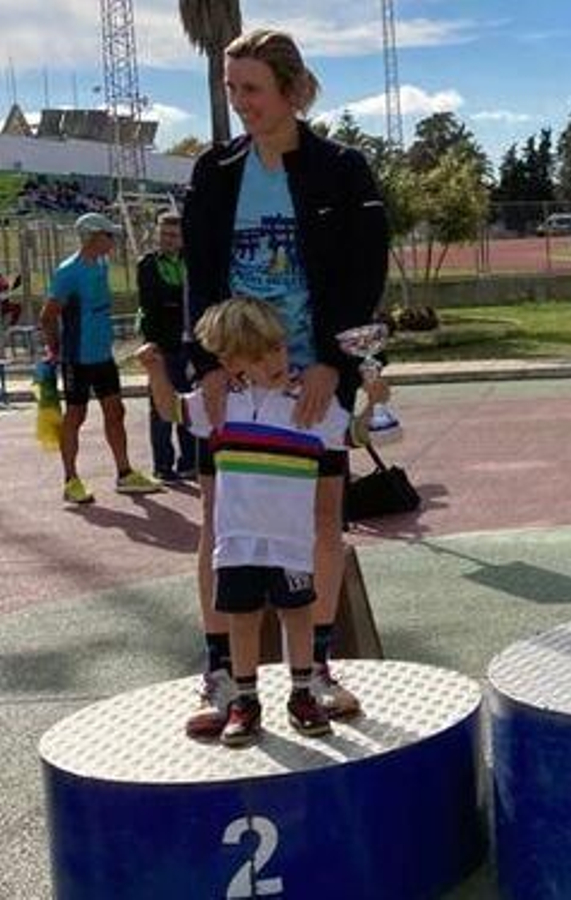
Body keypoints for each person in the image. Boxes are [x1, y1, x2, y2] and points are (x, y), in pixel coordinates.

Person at [180, 28, 390, 737]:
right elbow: (202, 276)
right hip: (238, 377)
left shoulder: (342, 169)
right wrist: (208, 364)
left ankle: (317, 669)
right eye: (232, 90)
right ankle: (220, 675)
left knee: (323, 520)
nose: (241, 104)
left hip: (314, 374)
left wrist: (332, 361)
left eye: (253, 90)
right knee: (219, 522)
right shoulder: (214, 172)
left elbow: (366, 274)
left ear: (293, 91)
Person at [138, 298, 385, 746]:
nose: (274, 361)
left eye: (277, 348)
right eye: (258, 355)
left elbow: (352, 436)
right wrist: (155, 371)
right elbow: (171, 409)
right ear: (230, 363)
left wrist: (375, 406)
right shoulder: (220, 405)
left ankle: (303, 693)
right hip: (237, 543)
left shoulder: (307, 404)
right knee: (244, 621)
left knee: (297, 615)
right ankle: (244, 700)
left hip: (291, 542)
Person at [39, 212, 164, 504]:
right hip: (77, 357)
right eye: (109, 235)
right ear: (93, 236)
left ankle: (124, 473)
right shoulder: (68, 271)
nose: (113, 240)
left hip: (102, 356)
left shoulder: (103, 265)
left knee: (115, 411)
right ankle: (71, 480)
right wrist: (55, 350)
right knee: (76, 416)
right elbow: (48, 315)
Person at [136, 210, 198, 482]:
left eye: (173, 235)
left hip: (191, 344)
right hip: (162, 345)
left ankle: (189, 462)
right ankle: (163, 466)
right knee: (160, 408)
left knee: (189, 405)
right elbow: (150, 307)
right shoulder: (148, 264)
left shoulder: (193, 262)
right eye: (163, 234)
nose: (168, 240)